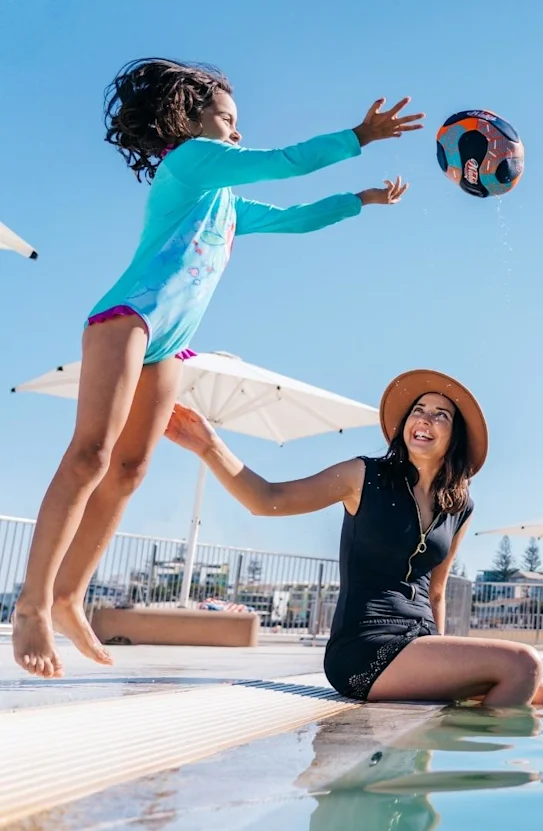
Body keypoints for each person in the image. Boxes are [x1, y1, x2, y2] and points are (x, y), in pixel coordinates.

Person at [12, 57, 423, 679]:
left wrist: (359, 201)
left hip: (169, 342)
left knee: (128, 471)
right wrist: (359, 138)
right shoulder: (189, 163)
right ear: (191, 117)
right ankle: (32, 604)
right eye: (226, 118)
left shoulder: (224, 202)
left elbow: (292, 218)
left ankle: (71, 596)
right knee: (91, 456)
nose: (234, 130)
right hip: (127, 319)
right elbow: (283, 161)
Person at [164, 369, 543, 709]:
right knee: (522, 665)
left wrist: (443, 665)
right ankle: (450, 745)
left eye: (440, 415)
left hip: (418, 643)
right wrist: (209, 446)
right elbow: (269, 499)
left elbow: (436, 591)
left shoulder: (458, 506)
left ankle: (439, 755)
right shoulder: (363, 476)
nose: (424, 420)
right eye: (418, 411)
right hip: (364, 647)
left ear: (454, 436)